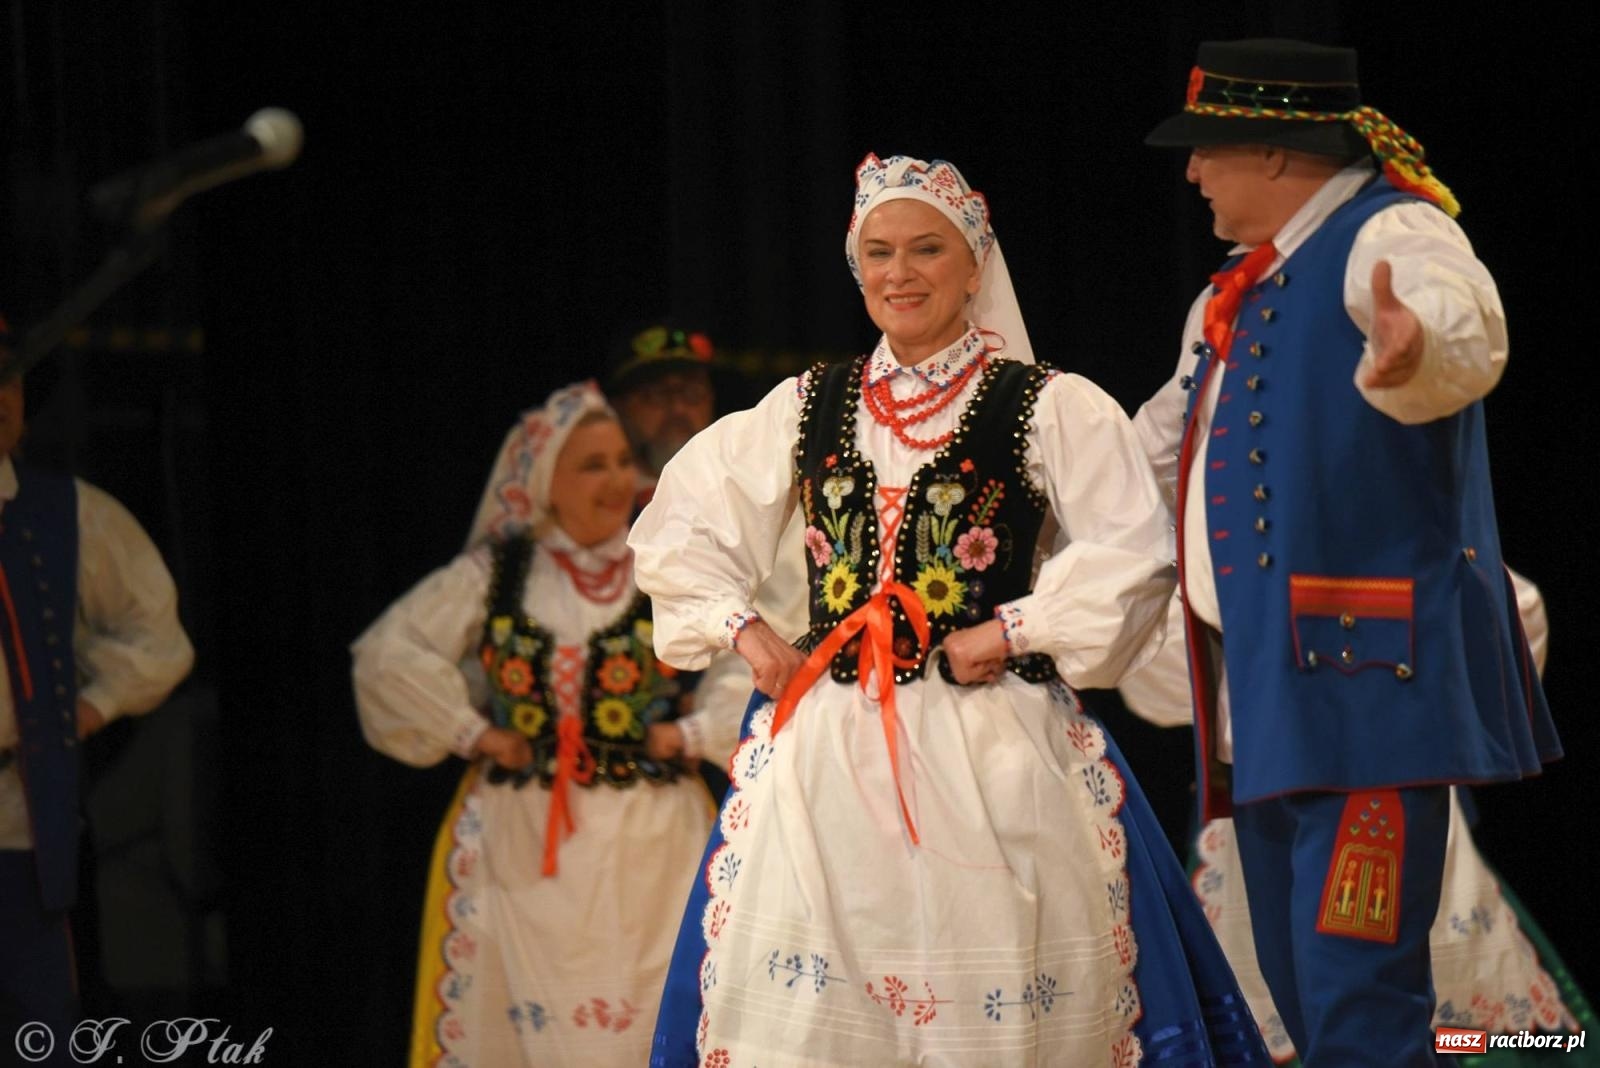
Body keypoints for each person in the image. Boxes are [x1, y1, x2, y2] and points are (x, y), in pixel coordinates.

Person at [630, 153, 1271, 1066]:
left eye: (926, 250)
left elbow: (1135, 549)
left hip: (989, 742)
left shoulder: (1046, 406)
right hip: (826, 751)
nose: (901, 273)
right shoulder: (807, 406)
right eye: (880, 253)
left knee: (995, 979)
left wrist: (1014, 629)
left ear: (975, 265)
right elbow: (679, 521)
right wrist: (745, 630)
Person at [1138, 38, 1561, 1065]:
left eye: (1207, 150)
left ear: (1278, 155)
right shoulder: (1232, 296)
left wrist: (1415, 340)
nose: (1192, 173)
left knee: (1355, 993)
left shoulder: (1392, 231)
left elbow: (1466, 323)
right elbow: (1149, 447)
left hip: (1366, 688)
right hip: (1270, 698)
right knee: (1294, 980)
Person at [350, 382, 737, 1066]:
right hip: (521, 840)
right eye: (593, 465)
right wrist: (474, 733)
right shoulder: (498, 575)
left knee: (649, 1014)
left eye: (622, 460)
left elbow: (749, 660)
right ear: (544, 482)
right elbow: (386, 656)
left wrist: (688, 734)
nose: (619, 479)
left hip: (650, 839)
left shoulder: (664, 568)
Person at [1118, 572, 1590, 1063]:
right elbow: (1152, 672)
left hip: (1383, 779)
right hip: (1266, 796)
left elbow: (1512, 608)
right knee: (1302, 1004)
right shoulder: (1222, 556)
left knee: (1426, 1021)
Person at [0, 326, 195, 1063]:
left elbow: (157, 636)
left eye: (9, 377)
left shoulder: (61, 515)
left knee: (38, 1037)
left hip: (22, 827)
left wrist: (87, 707)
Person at [606, 325, 810, 787]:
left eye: (692, 392)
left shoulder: (754, 508)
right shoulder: (582, 504)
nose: (678, 408)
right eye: (657, 395)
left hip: (707, 765)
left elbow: (785, 622)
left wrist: (698, 731)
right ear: (619, 406)